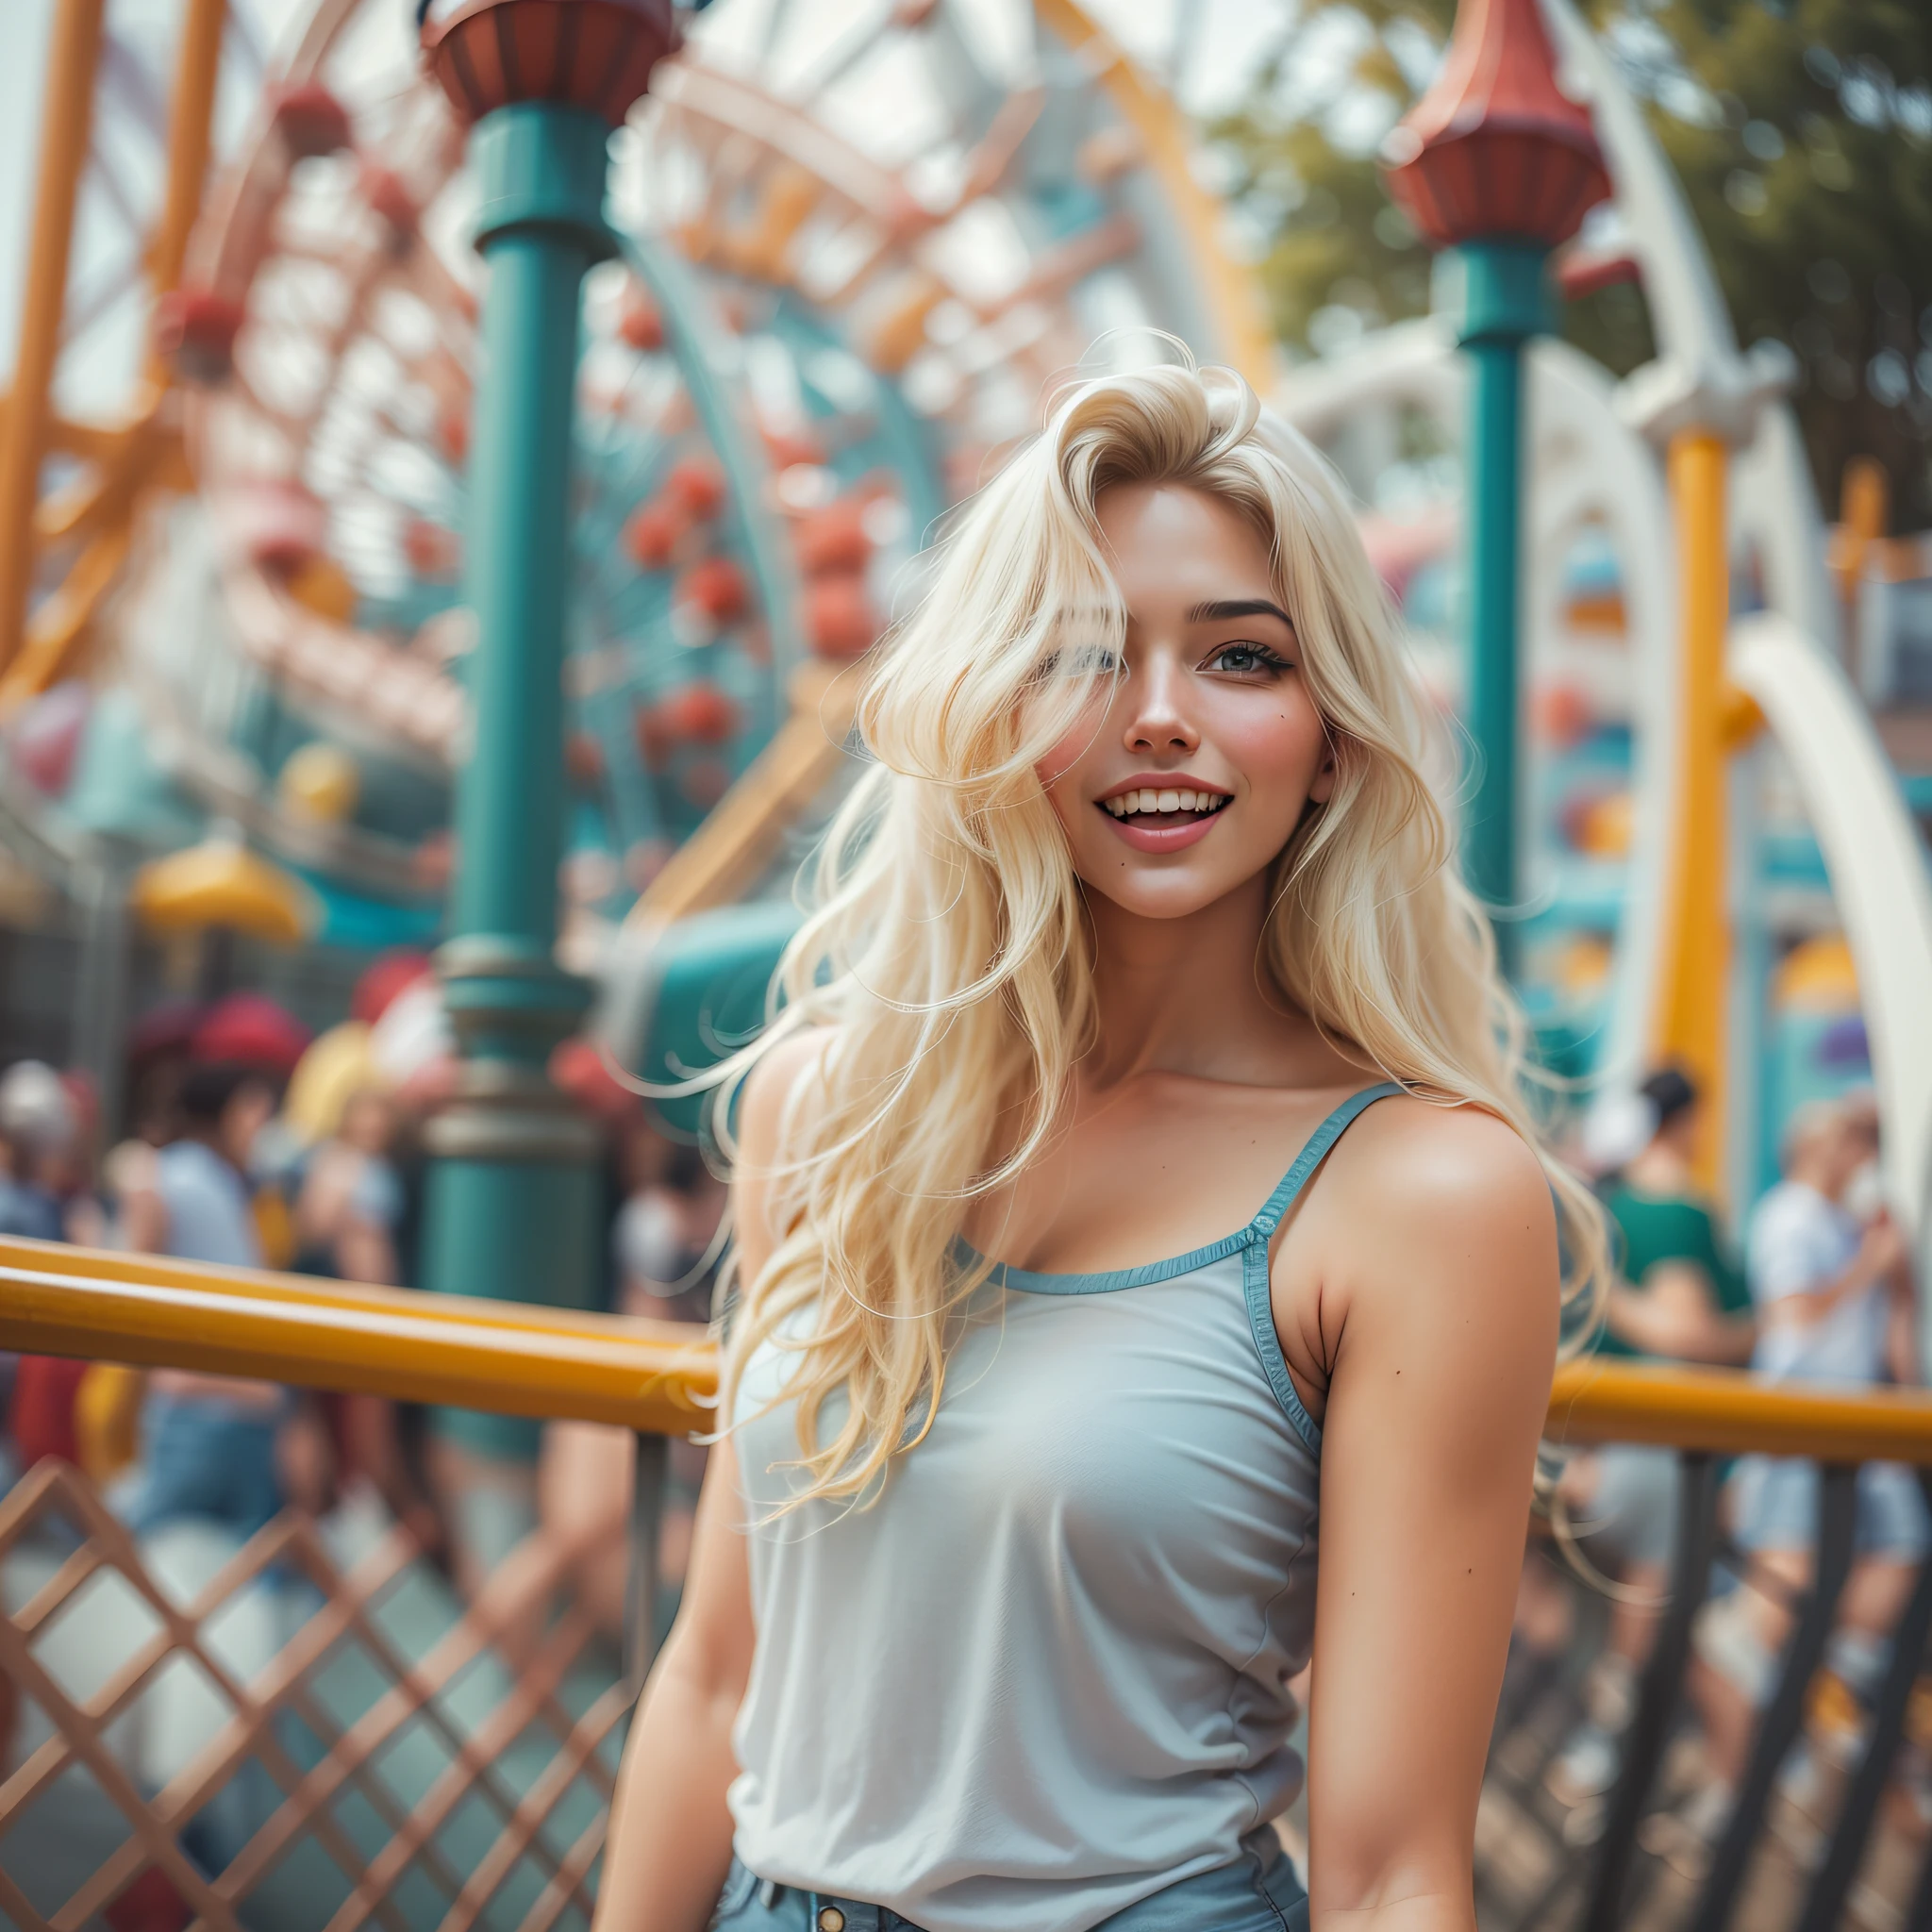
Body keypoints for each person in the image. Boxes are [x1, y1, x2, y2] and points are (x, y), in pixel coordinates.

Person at [594, 358, 1607, 1932]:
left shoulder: (1418, 1194)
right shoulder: (828, 1107)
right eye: (1078, 652)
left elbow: (1395, 1870)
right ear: (996, 711)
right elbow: (715, 1674)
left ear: (1331, 733)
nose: (1155, 715)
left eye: (1239, 656)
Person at [1680, 1092, 1921, 1862]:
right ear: (1817, 1146)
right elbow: (1795, 1318)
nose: (1864, 1149)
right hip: (1802, 1434)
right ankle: (1745, 1781)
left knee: (1890, 1565)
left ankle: (1806, 1727)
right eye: (1853, 1136)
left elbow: (1889, 1345)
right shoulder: (1790, 1215)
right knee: (1754, 1630)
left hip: (1857, 1435)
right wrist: (1871, 1268)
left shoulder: (1850, 1224)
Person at [1547, 1066, 1753, 1807]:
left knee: (1654, 1620)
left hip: (1589, 1450)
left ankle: (1598, 1742)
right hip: (1659, 1458)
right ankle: (1610, 1749)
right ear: (1686, 1121)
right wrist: (1764, 1330)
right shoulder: (1678, 1212)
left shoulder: (1606, 1204)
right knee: (1667, 1611)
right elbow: (1687, 1335)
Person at [121, 1062, 326, 1541]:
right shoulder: (189, 1178)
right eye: (253, 1109)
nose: (263, 1124)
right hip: (222, 1406)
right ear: (222, 1112)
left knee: (154, 1564)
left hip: (210, 1404)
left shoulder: (196, 1178)